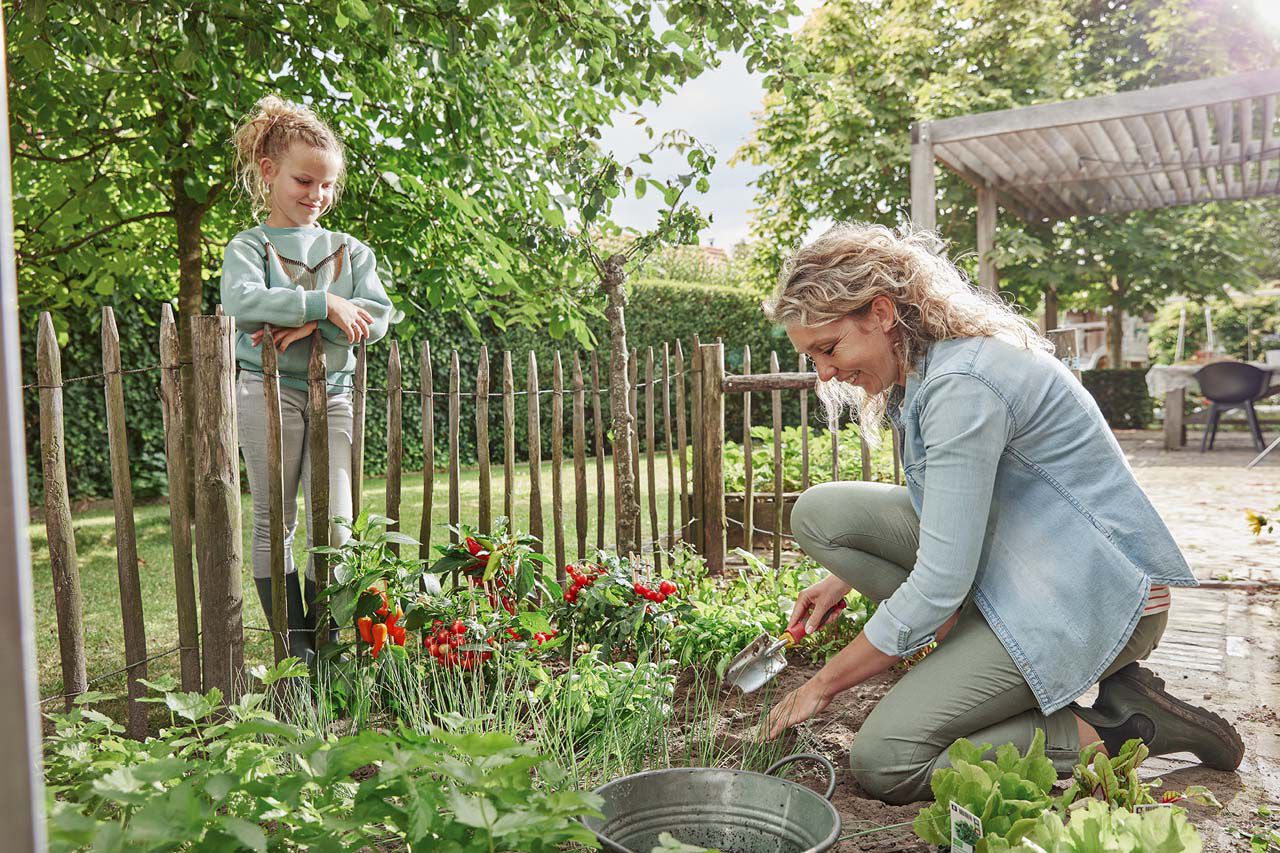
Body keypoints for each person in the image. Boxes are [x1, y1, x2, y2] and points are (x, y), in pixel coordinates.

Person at [761, 223, 1243, 804]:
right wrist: (843, 574)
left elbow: (940, 580)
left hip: (1092, 601)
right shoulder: (930, 373)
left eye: (829, 349)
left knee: (886, 761)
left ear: (882, 312)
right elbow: (943, 511)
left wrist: (823, 684)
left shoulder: (963, 383)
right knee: (821, 514)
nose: (824, 374)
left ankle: (1121, 728)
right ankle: (980, 653)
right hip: (1032, 574)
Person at [222, 95, 396, 661]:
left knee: (336, 524)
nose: (316, 196)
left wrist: (318, 324)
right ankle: (294, 654)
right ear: (269, 172)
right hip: (265, 395)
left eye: (326, 186)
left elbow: (378, 316)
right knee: (276, 522)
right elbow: (243, 303)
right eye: (304, 180)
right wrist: (323, 304)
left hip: (335, 398)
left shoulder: (351, 250)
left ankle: (330, 648)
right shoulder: (250, 246)